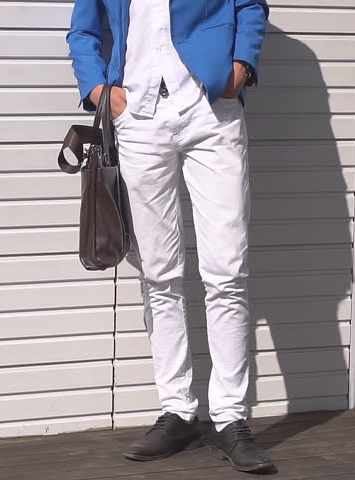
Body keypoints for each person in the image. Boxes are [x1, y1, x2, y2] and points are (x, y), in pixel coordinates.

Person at [66, 0, 274, 473]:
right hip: (138, 117)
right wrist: (98, 89)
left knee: (227, 272)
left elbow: (251, 6)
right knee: (159, 273)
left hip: (212, 112)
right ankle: (178, 411)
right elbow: (83, 30)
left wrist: (240, 69)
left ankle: (230, 417)